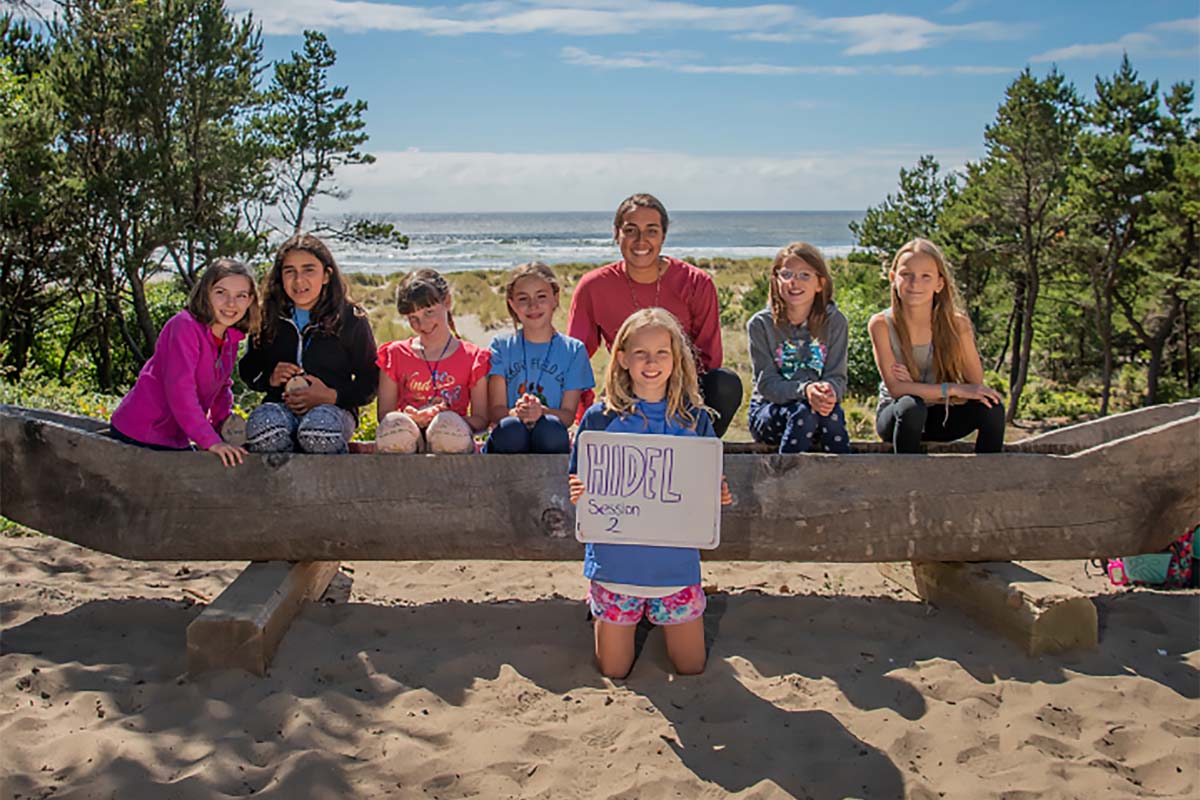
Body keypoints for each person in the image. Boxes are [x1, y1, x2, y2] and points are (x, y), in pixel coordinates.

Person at [568, 308, 733, 679]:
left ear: (677, 360)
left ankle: (654, 619)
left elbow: (705, 485)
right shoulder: (599, 419)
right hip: (616, 568)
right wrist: (579, 490)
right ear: (622, 359)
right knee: (614, 670)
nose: (651, 362)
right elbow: (579, 483)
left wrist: (716, 495)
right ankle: (603, 608)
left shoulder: (694, 420)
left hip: (675, 569)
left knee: (691, 667)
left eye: (662, 352)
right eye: (640, 353)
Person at [567, 193, 742, 437]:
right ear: (616, 234)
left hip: (682, 388)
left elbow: (709, 359)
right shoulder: (593, 286)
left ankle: (698, 448)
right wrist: (579, 416)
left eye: (651, 231)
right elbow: (575, 359)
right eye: (630, 230)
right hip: (629, 386)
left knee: (725, 383)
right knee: (600, 421)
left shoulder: (695, 283)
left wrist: (670, 394)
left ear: (663, 236)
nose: (641, 241)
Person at [108, 259, 258, 467]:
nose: (231, 303)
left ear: (250, 300)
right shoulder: (184, 326)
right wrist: (210, 442)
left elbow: (221, 389)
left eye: (240, 296)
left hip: (176, 436)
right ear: (206, 293)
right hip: (144, 432)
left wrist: (223, 431)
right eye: (221, 293)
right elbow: (180, 390)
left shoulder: (230, 338)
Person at [239, 234, 378, 454]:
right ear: (280, 277)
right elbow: (248, 369)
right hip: (280, 408)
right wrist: (270, 378)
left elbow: (370, 382)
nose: (298, 280)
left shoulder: (351, 319)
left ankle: (330, 487)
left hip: (334, 410)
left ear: (326, 275)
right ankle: (281, 484)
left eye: (309, 270)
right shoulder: (267, 317)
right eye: (289, 271)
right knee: (263, 429)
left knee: (317, 433)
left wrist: (332, 396)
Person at [868, 238, 1005, 453]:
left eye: (926, 276)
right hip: (899, 417)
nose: (915, 284)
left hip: (942, 415)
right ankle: (905, 481)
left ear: (939, 283)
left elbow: (974, 384)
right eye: (906, 275)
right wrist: (949, 388)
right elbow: (896, 389)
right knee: (911, 405)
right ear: (893, 278)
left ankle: (988, 478)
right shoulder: (881, 324)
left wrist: (917, 386)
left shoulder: (957, 325)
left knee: (991, 406)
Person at [747, 242, 850, 454]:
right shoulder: (761, 324)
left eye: (805, 275)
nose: (794, 282)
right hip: (770, 411)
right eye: (786, 274)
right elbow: (767, 384)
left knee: (832, 416)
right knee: (803, 414)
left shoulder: (835, 322)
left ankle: (841, 481)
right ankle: (786, 481)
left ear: (820, 283)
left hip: (820, 409)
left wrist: (828, 392)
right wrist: (805, 390)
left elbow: (837, 377)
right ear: (776, 280)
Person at [375, 268, 490, 454]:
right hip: (408, 440)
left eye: (429, 312)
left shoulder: (473, 357)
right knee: (394, 428)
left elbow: (481, 419)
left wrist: (441, 418)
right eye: (413, 318)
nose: (423, 325)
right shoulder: (395, 354)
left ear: (447, 302)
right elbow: (384, 415)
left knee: (446, 427)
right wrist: (412, 419)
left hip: (453, 441)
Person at [485, 262, 593, 454]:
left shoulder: (573, 350)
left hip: (550, 438)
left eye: (541, 297)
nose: (533, 306)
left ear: (555, 298)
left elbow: (568, 416)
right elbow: (495, 411)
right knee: (511, 428)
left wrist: (540, 412)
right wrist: (517, 412)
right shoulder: (501, 346)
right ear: (512, 304)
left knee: (550, 428)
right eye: (523, 299)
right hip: (508, 440)